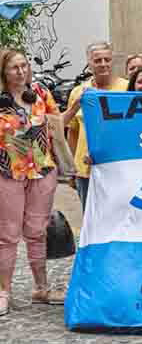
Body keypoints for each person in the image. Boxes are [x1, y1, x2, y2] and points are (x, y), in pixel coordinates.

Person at [0, 50, 68, 315]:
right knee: (7, 235)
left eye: (24, 65)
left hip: (42, 170)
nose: (21, 71)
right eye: (14, 67)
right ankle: (4, 291)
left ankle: (41, 287)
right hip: (8, 172)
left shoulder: (40, 92)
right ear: (4, 72)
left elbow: (58, 124)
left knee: (37, 232)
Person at [67, 42, 130, 211]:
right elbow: (73, 132)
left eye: (107, 59)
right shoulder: (78, 92)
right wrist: (72, 167)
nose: (103, 64)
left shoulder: (127, 89)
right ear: (89, 63)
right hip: (85, 170)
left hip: (118, 168)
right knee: (89, 217)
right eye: (97, 60)